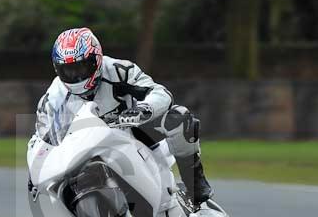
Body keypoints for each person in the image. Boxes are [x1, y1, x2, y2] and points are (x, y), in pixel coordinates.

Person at [32, 27, 213, 205]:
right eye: (68, 70)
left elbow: (161, 93)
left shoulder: (118, 70)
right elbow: (42, 136)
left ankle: (195, 184)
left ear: (97, 60)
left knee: (178, 118)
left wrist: (143, 109)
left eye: (81, 67)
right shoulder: (54, 97)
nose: (75, 76)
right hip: (86, 149)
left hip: (133, 132)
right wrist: (37, 172)